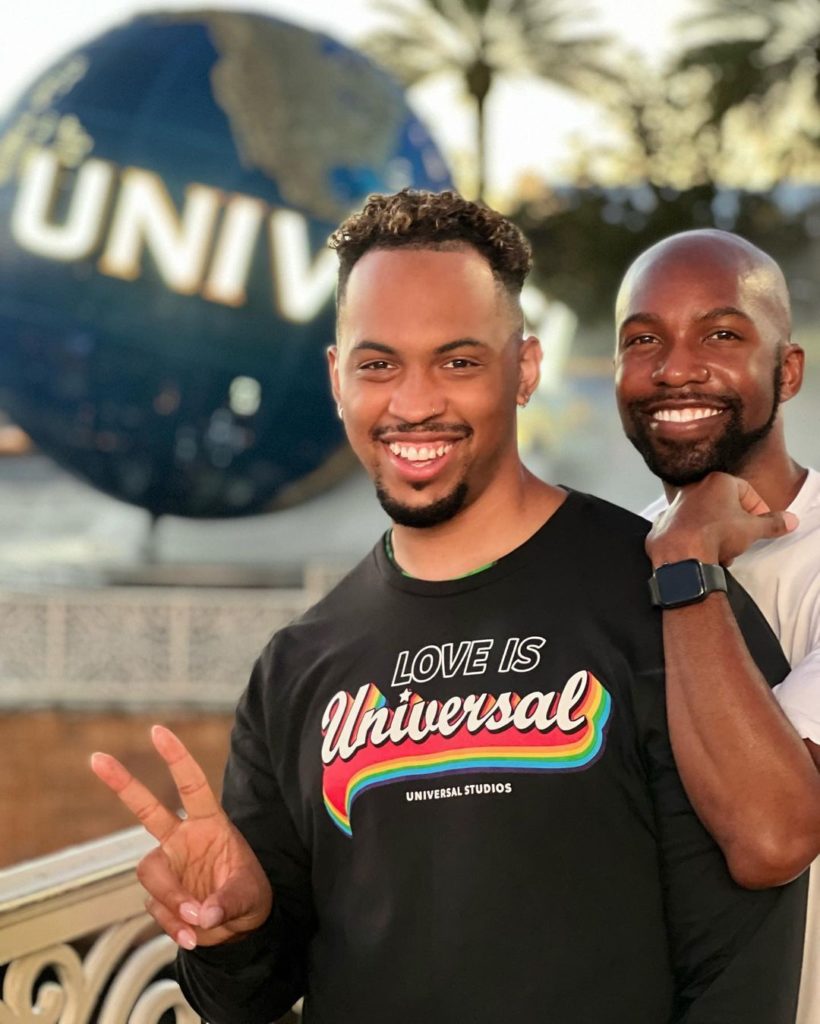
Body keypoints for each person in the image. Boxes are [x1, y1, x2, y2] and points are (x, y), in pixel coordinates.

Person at [92, 192, 806, 1024]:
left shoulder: (668, 606)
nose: (415, 403)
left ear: (524, 370)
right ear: (336, 378)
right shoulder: (298, 663)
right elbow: (248, 994)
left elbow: (741, 958)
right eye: (378, 364)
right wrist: (231, 928)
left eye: (459, 361)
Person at [613, 227, 820, 1024]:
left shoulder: (669, 559)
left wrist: (688, 557)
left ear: (788, 369)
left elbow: (769, 837)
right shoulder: (600, 565)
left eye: (722, 334)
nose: (674, 368)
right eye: (643, 340)